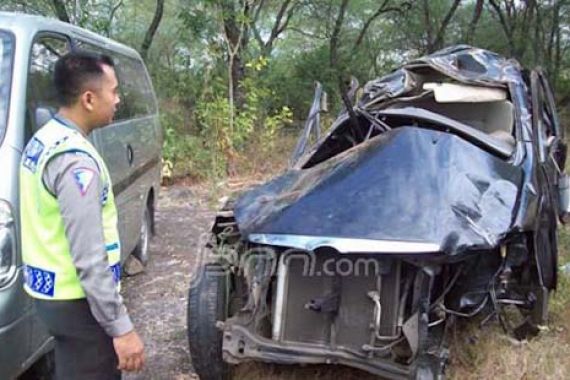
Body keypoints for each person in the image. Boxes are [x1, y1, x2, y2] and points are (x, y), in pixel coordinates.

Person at [19, 51, 144, 379]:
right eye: (113, 91)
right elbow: (89, 256)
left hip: (51, 297)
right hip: (80, 304)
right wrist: (121, 328)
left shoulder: (43, 140)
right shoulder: (76, 161)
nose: (118, 99)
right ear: (89, 98)